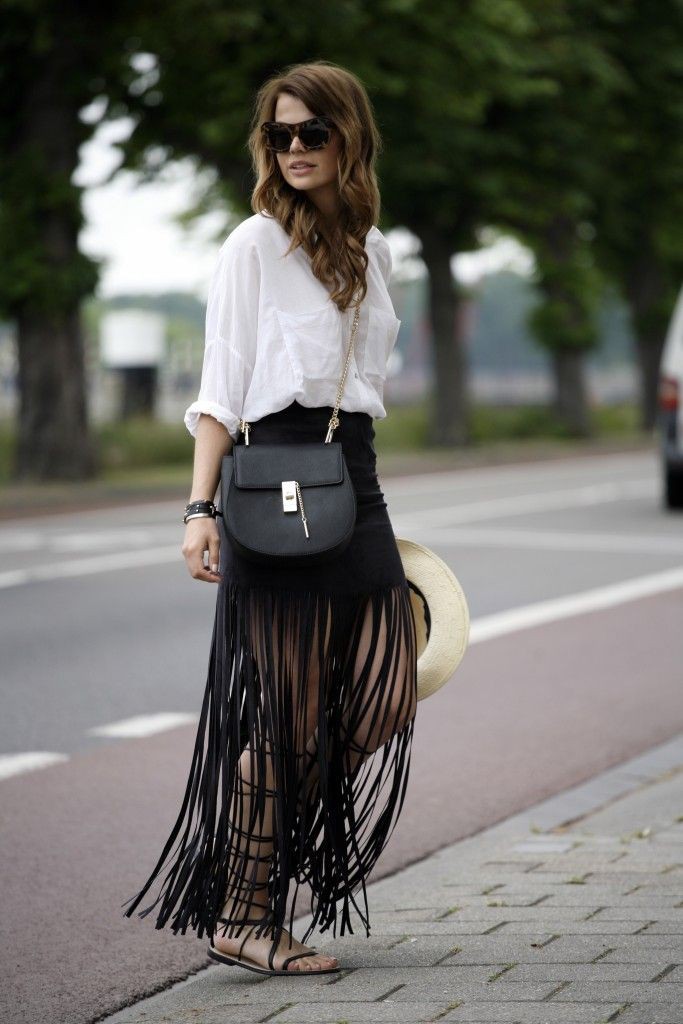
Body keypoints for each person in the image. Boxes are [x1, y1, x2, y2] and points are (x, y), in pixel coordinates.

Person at [122, 59, 418, 977]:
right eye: (280, 135)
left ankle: (256, 866)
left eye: (312, 133)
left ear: (349, 138)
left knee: (382, 694)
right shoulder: (252, 245)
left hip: (353, 475)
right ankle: (246, 915)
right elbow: (221, 385)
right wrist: (199, 506)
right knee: (287, 723)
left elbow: (372, 379)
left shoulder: (377, 249)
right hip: (270, 476)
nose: (293, 149)